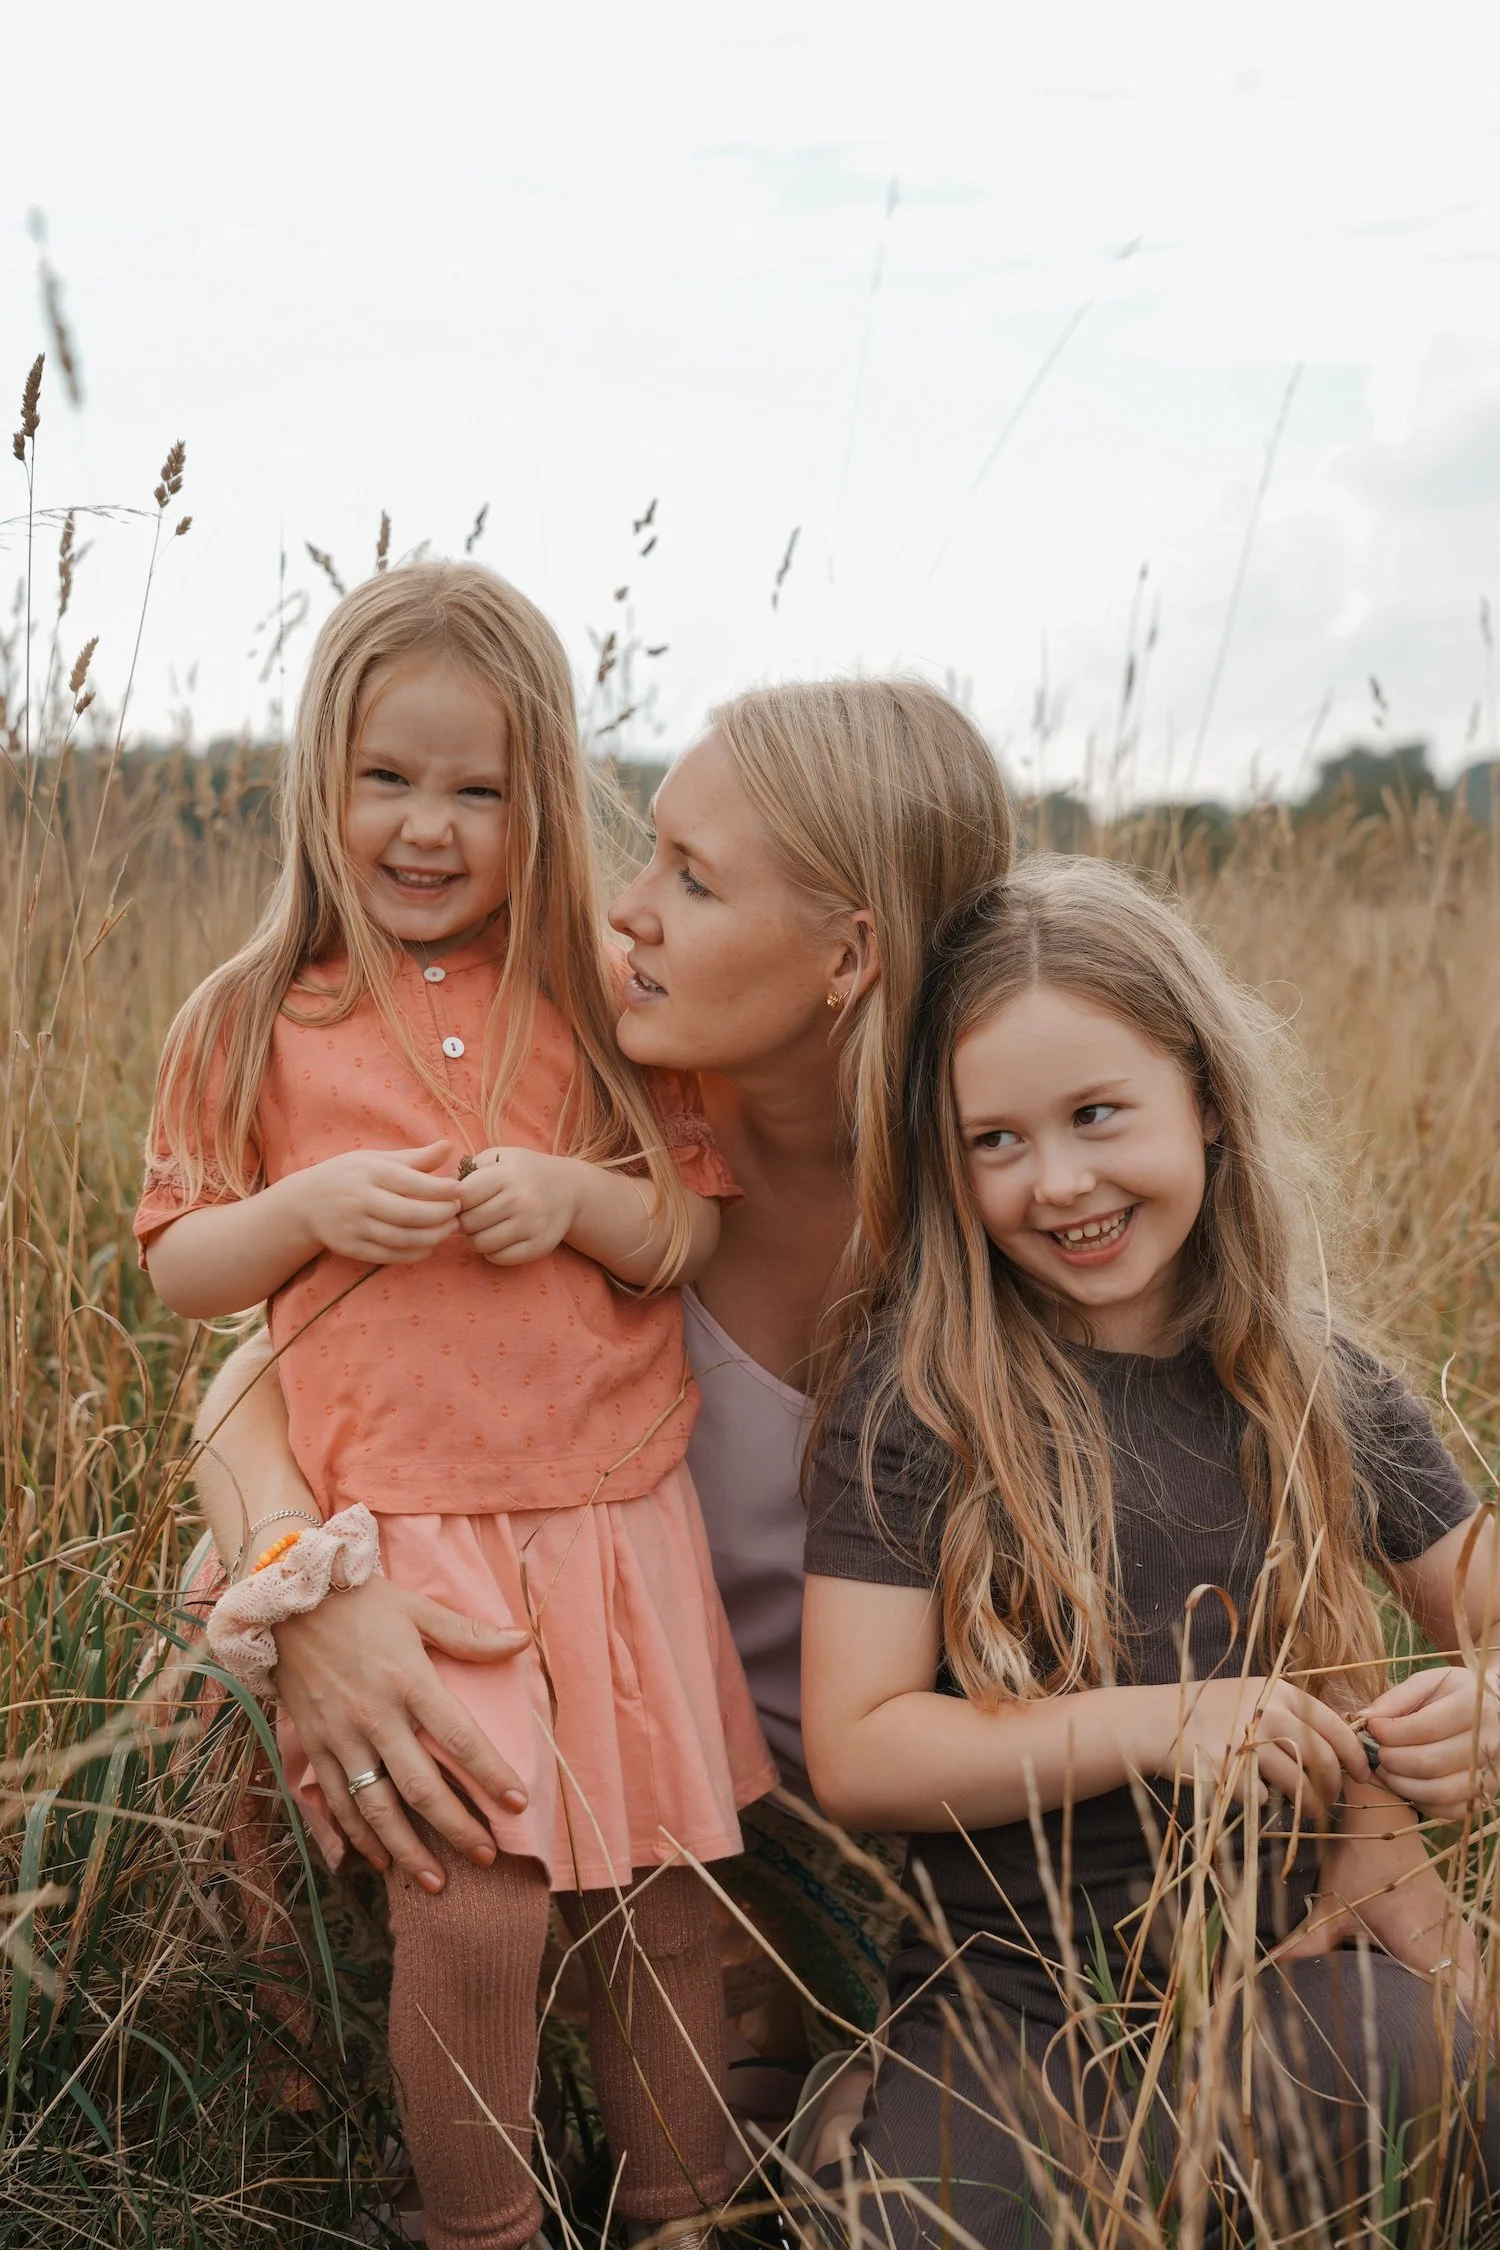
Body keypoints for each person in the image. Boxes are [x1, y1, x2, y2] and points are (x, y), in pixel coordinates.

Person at [135, 560, 779, 2250]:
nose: (430, 827)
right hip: (396, 1545)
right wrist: (305, 1214)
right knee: (474, 1912)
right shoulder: (253, 1016)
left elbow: (687, 1223)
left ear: (541, 797)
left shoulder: (595, 1003)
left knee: (657, 1906)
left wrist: (574, 1201)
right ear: (320, 784)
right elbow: (181, 1262)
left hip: (605, 1520)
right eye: (389, 780)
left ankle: (683, 2212)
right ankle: (478, 2222)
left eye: (478, 789)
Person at [800, 856, 1500, 2246]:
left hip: (1280, 1968)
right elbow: (861, 1748)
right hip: (1009, 2001)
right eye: (995, 1140)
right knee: (925, 2225)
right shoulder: (923, 1396)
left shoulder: (1317, 1381)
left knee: (1428, 2068)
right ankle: (857, 2110)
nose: (1059, 1180)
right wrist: (1159, 1722)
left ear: (1208, 1101)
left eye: (1098, 1114)